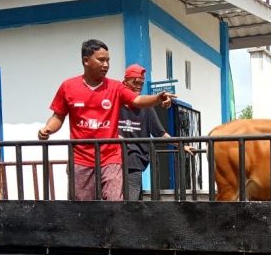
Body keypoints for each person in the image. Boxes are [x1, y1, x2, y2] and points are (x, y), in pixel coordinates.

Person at [37, 39, 175, 201]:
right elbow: (58, 116)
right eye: (101, 60)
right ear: (86, 61)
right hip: (80, 159)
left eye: (108, 60)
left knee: (114, 204)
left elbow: (137, 101)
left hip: (111, 158)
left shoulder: (116, 87)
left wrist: (157, 98)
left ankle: (113, 227)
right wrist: (47, 129)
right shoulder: (68, 86)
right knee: (83, 209)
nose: (106, 64)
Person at [119, 64, 195, 200]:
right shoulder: (114, 103)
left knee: (131, 202)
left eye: (141, 83)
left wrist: (181, 146)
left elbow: (161, 133)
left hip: (134, 162)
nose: (139, 85)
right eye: (135, 82)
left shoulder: (146, 107)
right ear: (125, 82)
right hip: (112, 161)